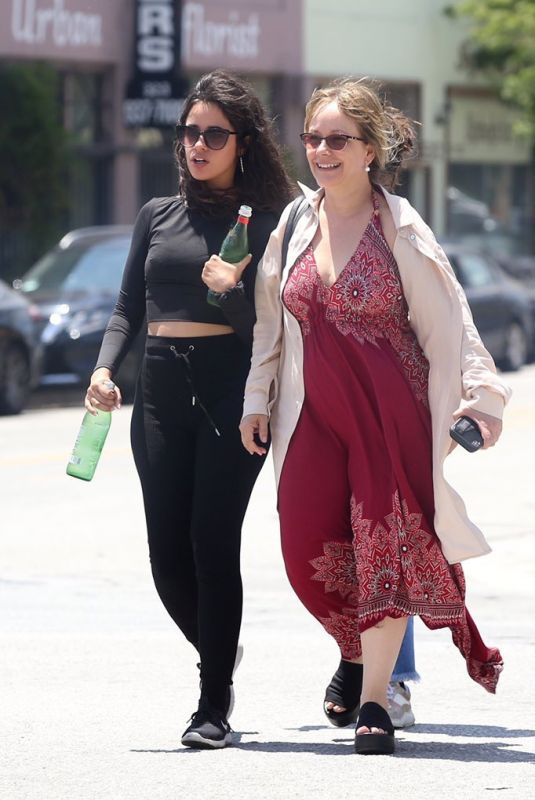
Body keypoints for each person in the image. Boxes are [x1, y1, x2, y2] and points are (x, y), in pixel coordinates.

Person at [240, 77, 510, 755]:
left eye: (338, 139)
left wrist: (481, 401)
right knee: (306, 554)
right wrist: (255, 399)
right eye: (313, 138)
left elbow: (453, 324)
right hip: (313, 419)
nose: (322, 150)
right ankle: (356, 652)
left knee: (381, 555)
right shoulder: (295, 224)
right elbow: (269, 325)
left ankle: (374, 703)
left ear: (369, 149)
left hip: (391, 417)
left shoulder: (403, 229)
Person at [84, 70, 293, 749]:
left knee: (211, 545)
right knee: (166, 555)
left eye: (212, 134)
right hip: (159, 389)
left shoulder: (266, 224)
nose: (196, 145)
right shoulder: (156, 215)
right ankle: (217, 648)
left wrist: (229, 292)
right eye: (188, 132)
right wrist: (104, 370)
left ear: (242, 141)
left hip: (232, 394)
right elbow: (127, 307)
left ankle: (212, 705)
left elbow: (269, 330)